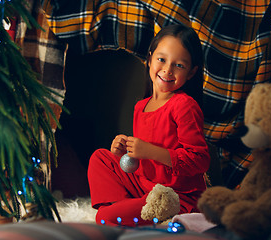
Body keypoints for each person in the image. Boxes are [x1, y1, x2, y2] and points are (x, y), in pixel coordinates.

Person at [87, 24, 210, 226]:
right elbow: (142, 162)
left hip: (175, 196)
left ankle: (121, 215)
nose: (167, 70)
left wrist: (150, 151)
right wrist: (124, 150)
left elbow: (199, 160)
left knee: (104, 218)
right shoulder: (140, 106)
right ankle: (127, 211)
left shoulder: (184, 106)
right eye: (161, 59)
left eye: (179, 65)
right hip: (145, 186)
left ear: (191, 72)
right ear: (150, 58)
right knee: (100, 158)